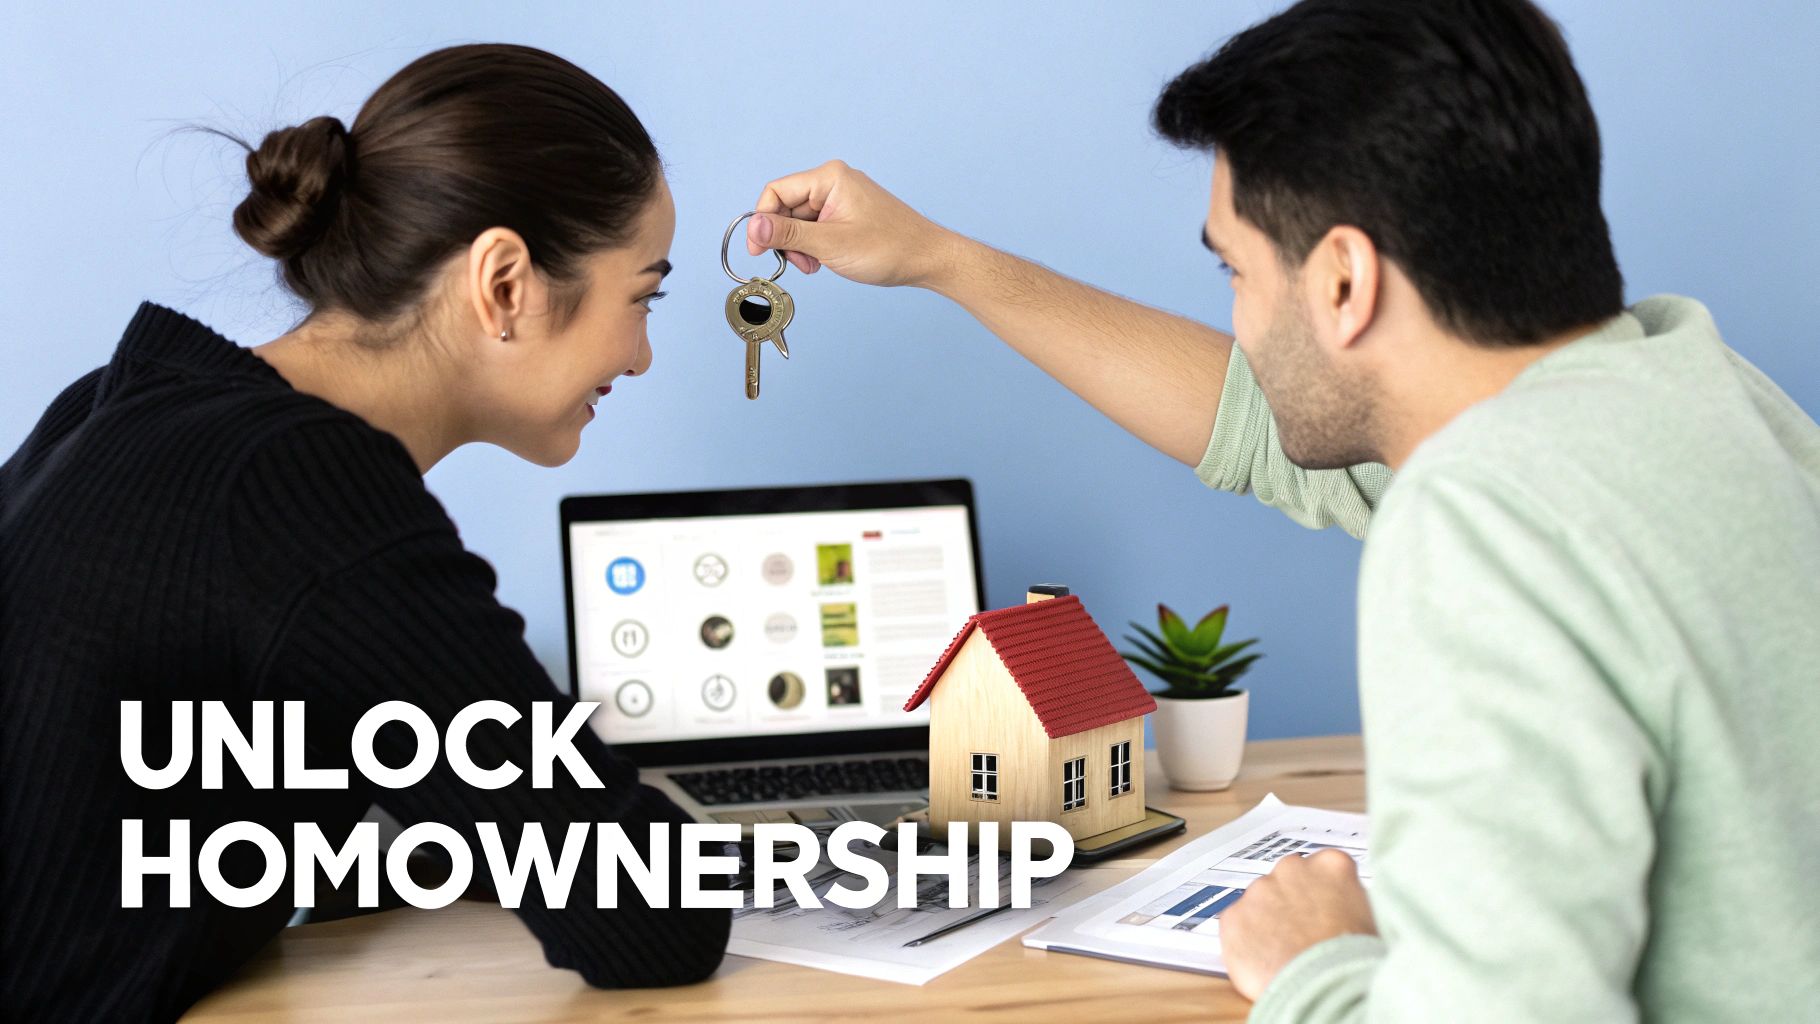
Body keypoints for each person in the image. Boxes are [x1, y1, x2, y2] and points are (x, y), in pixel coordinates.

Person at [742, 0, 1820, 1019]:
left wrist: (1314, 969)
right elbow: (1260, 428)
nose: (1240, 323)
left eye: (1237, 274)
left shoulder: (1483, 522)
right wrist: (940, 258)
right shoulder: (1695, 394)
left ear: (1343, 282)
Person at [1, 44, 728, 1022]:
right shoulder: (302, 484)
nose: (638, 355)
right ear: (504, 282)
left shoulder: (123, 399)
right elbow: (648, 918)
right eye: (641, 296)